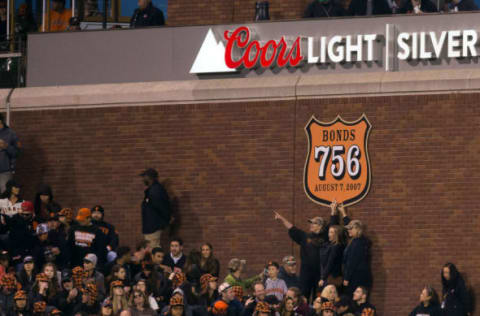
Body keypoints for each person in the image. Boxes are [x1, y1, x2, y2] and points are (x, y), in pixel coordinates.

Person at [274, 209, 337, 301]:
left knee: (319, 297)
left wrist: (333, 211)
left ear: (320, 226)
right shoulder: (305, 236)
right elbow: (292, 228)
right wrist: (281, 219)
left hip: (320, 273)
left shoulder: (326, 236)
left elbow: (333, 224)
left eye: (314, 223)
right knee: (303, 296)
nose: (311, 225)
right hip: (306, 273)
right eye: (310, 223)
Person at [139, 168, 171, 248]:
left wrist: (167, 220)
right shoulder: (153, 190)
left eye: (144, 177)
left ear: (150, 178)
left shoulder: (155, 190)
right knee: (152, 248)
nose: (143, 179)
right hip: (152, 226)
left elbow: (161, 208)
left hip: (154, 226)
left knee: (154, 249)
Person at [342, 219, 371, 296]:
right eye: (348, 228)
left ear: (358, 229)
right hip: (359, 275)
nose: (349, 230)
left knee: (353, 298)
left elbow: (352, 262)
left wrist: (347, 278)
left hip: (355, 277)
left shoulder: (357, 243)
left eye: (351, 228)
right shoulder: (359, 241)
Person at [319, 224, 345, 289]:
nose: (329, 234)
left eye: (331, 232)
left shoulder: (337, 247)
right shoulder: (328, 245)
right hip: (328, 274)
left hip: (333, 276)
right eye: (329, 232)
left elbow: (330, 263)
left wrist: (323, 278)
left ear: (336, 234)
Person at [0, 114, 20, 194]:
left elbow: (16, 153)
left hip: (5, 172)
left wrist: (6, 146)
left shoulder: (10, 134)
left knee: (5, 197)